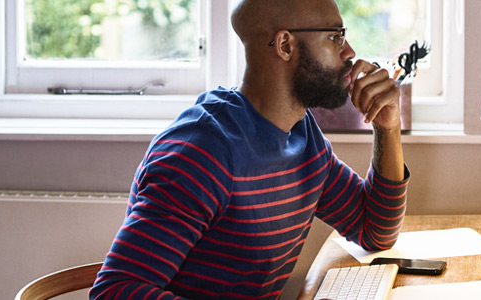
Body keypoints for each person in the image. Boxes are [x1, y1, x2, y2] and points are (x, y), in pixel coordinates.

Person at [88, 0, 409, 298]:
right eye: (335, 37)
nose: (350, 52)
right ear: (285, 45)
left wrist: (387, 127)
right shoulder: (201, 154)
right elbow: (114, 290)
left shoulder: (302, 135)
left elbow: (374, 229)